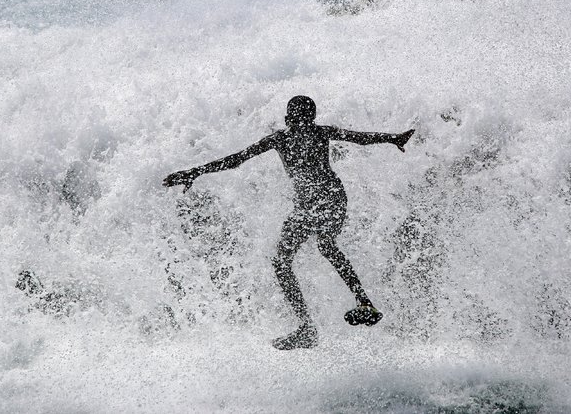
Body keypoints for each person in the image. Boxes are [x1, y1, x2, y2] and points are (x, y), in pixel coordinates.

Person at [163, 96, 415, 350]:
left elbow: (359, 137)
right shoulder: (288, 137)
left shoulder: (307, 134)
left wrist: (392, 138)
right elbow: (237, 160)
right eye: (298, 121)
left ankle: (361, 303)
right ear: (289, 120)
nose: (301, 126)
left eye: (304, 121)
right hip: (307, 206)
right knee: (283, 260)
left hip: (330, 198)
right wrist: (195, 171)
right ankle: (307, 327)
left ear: (300, 119)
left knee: (325, 246)